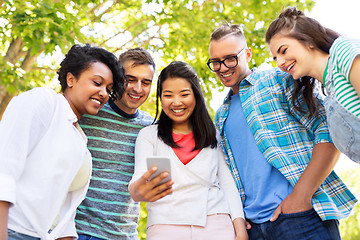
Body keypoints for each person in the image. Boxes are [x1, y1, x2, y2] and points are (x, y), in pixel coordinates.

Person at [207, 23, 357, 239]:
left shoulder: (279, 80)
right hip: (255, 229)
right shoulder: (221, 115)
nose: (222, 67)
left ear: (247, 54)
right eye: (215, 62)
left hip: (301, 218)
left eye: (230, 58)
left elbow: (327, 130)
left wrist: (301, 197)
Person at [0, 44, 125, 240]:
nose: (103, 93)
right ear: (71, 79)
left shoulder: (79, 138)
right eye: (97, 82)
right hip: (12, 229)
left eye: (108, 89)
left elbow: (65, 207)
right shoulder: (44, 101)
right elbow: (4, 167)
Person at [129, 61, 248, 240]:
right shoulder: (149, 136)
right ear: (161, 98)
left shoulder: (212, 135)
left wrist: (240, 230)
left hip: (216, 224)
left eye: (184, 94)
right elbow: (137, 185)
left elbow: (227, 184)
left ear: (196, 96)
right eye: (168, 95)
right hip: (166, 227)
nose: (176, 102)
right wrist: (138, 191)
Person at [75, 48, 156, 240]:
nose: (138, 88)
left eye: (146, 82)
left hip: (125, 235)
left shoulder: (151, 128)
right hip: (81, 232)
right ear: (117, 78)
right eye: (131, 79)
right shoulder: (90, 113)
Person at [265, 6, 360, 164]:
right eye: (275, 58)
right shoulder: (331, 94)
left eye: (283, 51)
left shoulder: (342, 51)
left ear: (307, 40)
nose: (280, 62)